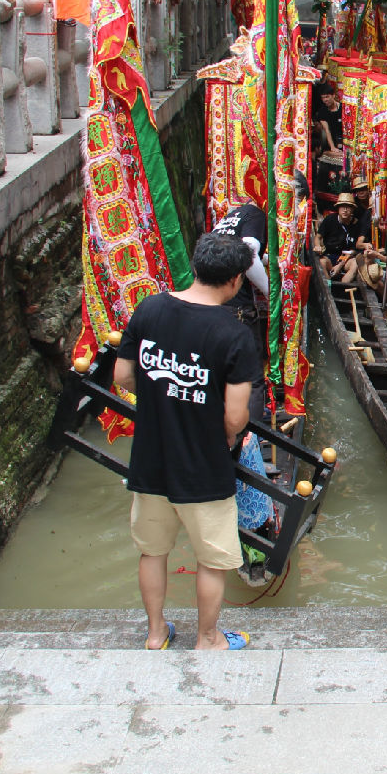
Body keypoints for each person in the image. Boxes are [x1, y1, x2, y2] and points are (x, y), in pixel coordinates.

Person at [112, 233, 261, 651]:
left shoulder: (150, 308)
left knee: (152, 552)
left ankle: (156, 633)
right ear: (235, 280)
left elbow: (123, 377)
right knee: (213, 560)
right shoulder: (234, 335)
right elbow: (235, 416)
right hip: (203, 466)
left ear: (196, 267)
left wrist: (167, 395)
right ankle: (208, 639)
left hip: (150, 460)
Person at [209, 201, 271, 422]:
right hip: (237, 308)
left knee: (220, 371)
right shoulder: (256, 215)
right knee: (252, 379)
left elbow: (245, 252)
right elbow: (248, 255)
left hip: (212, 305)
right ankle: (249, 435)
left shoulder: (231, 217)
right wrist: (273, 296)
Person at [317, 193, 371, 283]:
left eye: (348, 207)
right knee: (322, 262)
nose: (345, 210)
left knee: (356, 263)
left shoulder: (357, 225)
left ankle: (343, 286)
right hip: (330, 256)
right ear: (338, 208)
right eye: (342, 207)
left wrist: (340, 264)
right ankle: (329, 287)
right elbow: (318, 237)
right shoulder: (330, 219)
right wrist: (317, 246)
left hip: (346, 258)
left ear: (353, 209)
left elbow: (354, 249)